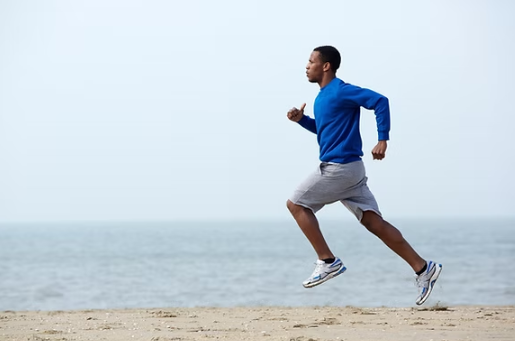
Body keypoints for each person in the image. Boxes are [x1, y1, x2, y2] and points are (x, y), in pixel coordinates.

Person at [286, 45, 442, 305]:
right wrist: (303, 120)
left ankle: (328, 261)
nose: (307, 66)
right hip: (351, 170)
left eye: (311, 61)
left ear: (326, 66)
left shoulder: (341, 90)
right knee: (373, 223)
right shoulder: (322, 97)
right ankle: (423, 268)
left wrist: (383, 139)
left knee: (296, 204)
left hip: (339, 168)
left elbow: (380, 101)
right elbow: (326, 132)